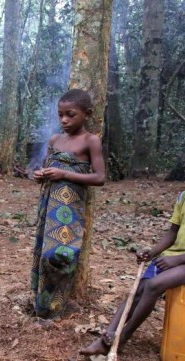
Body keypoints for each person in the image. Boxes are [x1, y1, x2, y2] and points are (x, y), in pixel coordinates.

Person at [81, 140, 185, 356]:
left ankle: (123, 337)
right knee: (138, 289)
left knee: (154, 285)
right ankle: (107, 336)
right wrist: (153, 251)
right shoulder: (184, 198)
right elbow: (172, 233)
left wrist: (177, 260)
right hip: (173, 258)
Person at [30, 89, 105, 319]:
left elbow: (99, 178)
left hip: (70, 210)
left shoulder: (91, 141)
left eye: (70, 114)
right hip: (49, 206)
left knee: (59, 256)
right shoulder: (55, 140)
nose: (64, 120)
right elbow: (48, 167)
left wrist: (64, 174)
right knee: (42, 255)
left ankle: (56, 308)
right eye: (60, 114)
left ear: (87, 114)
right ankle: (41, 308)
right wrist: (41, 174)